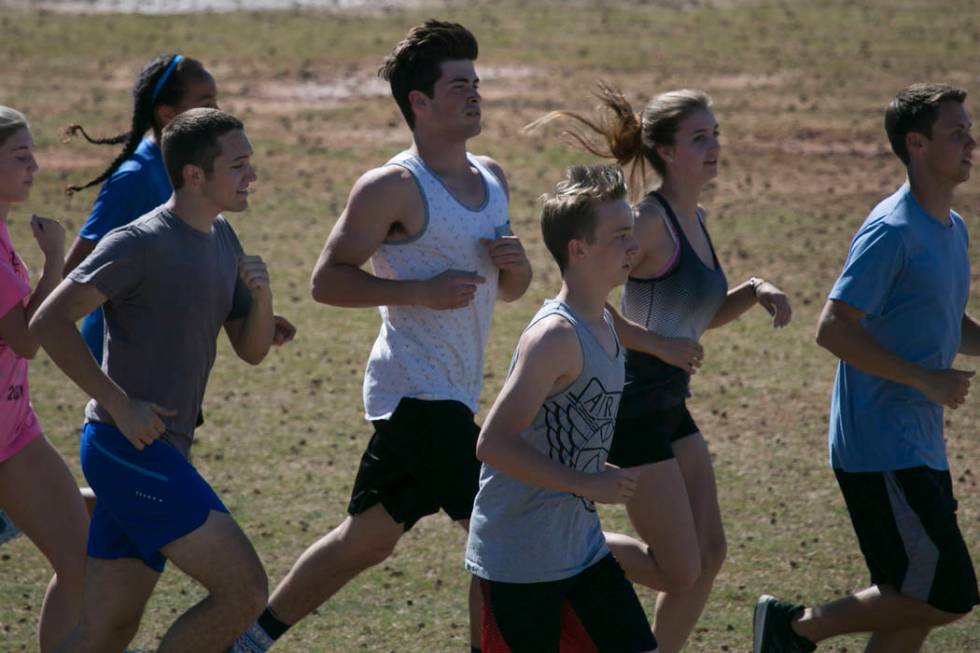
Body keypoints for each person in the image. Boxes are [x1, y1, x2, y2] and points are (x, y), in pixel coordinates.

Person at [232, 19, 531, 653]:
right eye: (457, 86)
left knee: (365, 539)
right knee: (501, 529)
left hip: (452, 392)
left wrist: (517, 266)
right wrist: (417, 292)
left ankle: (250, 641)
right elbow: (325, 281)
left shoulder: (493, 177)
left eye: (476, 82)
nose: (474, 94)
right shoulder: (392, 186)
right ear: (418, 104)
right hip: (414, 394)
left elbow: (509, 290)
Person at [527, 84, 792, 652]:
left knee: (710, 554)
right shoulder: (648, 222)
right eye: (700, 137)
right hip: (633, 405)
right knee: (679, 568)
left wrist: (754, 290)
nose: (714, 146)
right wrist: (656, 345)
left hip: (668, 403)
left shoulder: (692, 219)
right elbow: (584, 297)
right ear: (668, 152)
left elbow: (694, 315)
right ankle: (564, 541)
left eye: (715, 134)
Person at [32, 108, 280, 653]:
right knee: (245, 590)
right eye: (238, 165)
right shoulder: (139, 241)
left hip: (166, 448)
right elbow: (47, 321)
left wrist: (261, 302)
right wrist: (119, 404)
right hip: (127, 449)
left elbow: (252, 350)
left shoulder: (223, 238)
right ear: (195, 175)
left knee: (108, 632)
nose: (251, 176)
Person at [753, 83, 979, 653]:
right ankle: (795, 626)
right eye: (957, 133)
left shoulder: (952, 230)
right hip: (881, 446)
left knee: (912, 601)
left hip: (918, 442)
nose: (972, 143)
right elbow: (833, 327)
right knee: (948, 592)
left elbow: (946, 318)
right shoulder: (892, 230)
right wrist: (926, 378)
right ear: (917, 144)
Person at [466, 163, 656, 653]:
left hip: (580, 548)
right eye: (619, 235)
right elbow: (493, 443)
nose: (633, 246)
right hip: (521, 560)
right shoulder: (556, 335)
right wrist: (587, 481)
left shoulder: (605, 325)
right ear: (579, 249)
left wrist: (592, 467)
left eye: (631, 231)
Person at [0, 106, 89, 653]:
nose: (35, 166)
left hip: (14, 431)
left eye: (34, 153)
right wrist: (55, 257)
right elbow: (29, 340)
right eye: (20, 156)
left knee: (81, 557)